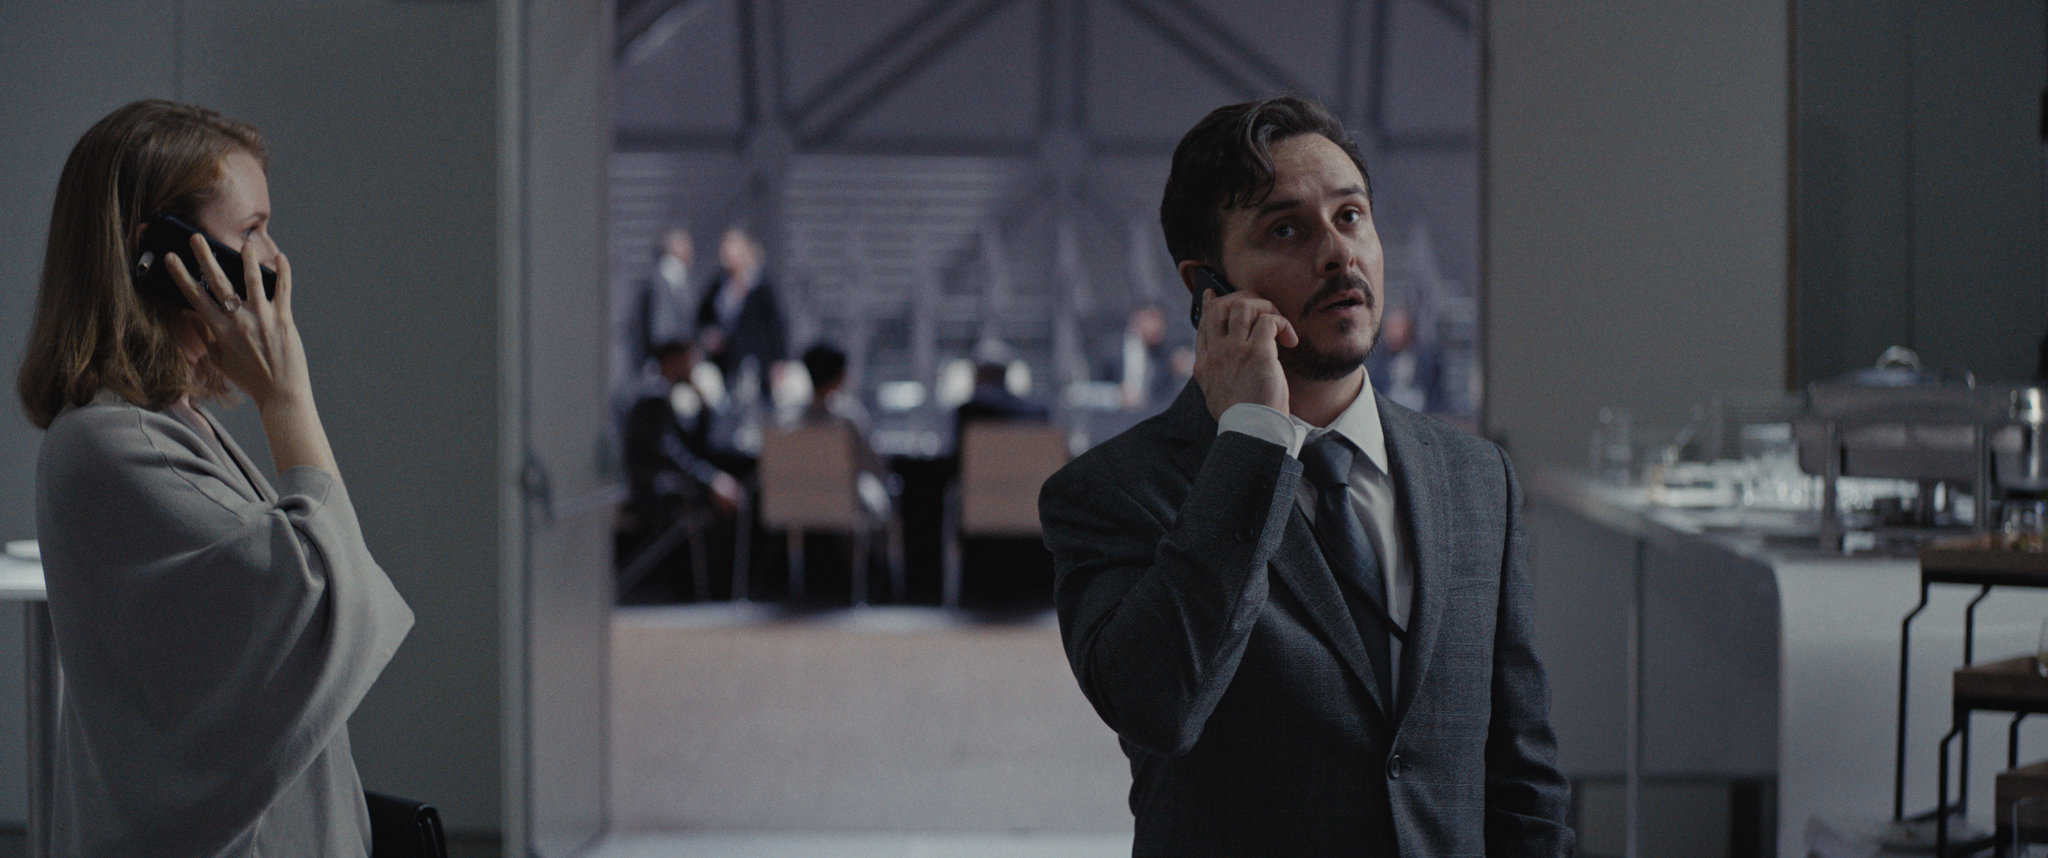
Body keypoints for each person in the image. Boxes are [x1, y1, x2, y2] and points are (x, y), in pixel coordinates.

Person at [1036, 96, 1572, 856]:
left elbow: (1522, 774)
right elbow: (1159, 708)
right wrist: (1253, 438)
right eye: (1286, 230)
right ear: (1207, 288)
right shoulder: (1112, 491)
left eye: (1351, 217)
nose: (1337, 254)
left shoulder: (1477, 479)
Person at [16, 99, 414, 855]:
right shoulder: (112, 444)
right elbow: (326, 604)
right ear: (157, 255)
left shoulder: (167, 422)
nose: (273, 260)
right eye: (251, 230)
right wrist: (287, 399)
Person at [620, 339, 746, 596]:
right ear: (673, 361)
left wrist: (702, 403)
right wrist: (711, 481)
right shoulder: (653, 398)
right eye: (690, 361)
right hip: (655, 487)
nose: (694, 368)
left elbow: (692, 445)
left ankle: (715, 586)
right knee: (723, 499)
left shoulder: (663, 394)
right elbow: (670, 454)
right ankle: (716, 587)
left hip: (664, 480)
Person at [695, 225, 790, 402]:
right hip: (725, 363)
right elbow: (703, 318)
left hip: (755, 361)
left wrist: (779, 360)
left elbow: (776, 324)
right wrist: (709, 336)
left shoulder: (760, 286)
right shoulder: (718, 285)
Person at [626, 224, 699, 374]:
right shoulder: (664, 277)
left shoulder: (678, 276)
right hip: (669, 355)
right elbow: (661, 326)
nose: (690, 250)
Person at [1364, 304, 1443, 413]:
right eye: (1390, 328)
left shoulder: (1426, 360)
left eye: (1398, 327)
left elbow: (1435, 395)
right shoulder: (1376, 362)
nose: (1394, 333)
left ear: (1409, 328)